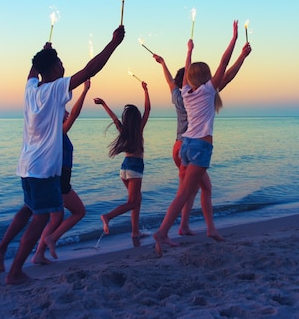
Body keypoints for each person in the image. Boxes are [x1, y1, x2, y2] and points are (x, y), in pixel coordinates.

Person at [0, 25, 125, 284]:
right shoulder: (54, 90)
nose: (64, 66)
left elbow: (33, 70)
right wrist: (113, 44)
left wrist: (43, 53)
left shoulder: (31, 90)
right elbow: (89, 70)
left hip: (26, 166)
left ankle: (1, 248)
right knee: (41, 217)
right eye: (60, 63)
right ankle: (16, 270)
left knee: (29, 208)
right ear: (54, 70)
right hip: (44, 169)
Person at [153, 20, 244, 256]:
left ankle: (210, 229)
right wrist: (234, 39)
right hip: (200, 147)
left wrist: (189, 51)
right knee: (184, 193)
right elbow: (225, 65)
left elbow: (188, 72)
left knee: (205, 187)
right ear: (207, 78)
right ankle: (162, 232)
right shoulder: (207, 91)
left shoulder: (185, 91)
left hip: (186, 145)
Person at [31, 79, 91, 265]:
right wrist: (85, 90)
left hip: (57, 179)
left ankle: (39, 253)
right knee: (78, 211)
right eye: (63, 111)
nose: (66, 112)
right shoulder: (57, 131)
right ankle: (50, 241)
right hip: (59, 180)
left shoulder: (54, 131)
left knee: (58, 216)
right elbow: (74, 114)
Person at [94, 80, 150, 240]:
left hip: (124, 168)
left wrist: (104, 103)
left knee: (136, 200)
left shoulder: (123, 130)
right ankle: (108, 217)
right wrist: (146, 90)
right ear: (137, 118)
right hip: (135, 168)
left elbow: (113, 117)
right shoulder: (139, 129)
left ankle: (135, 232)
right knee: (132, 202)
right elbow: (148, 109)